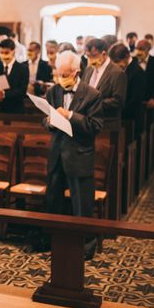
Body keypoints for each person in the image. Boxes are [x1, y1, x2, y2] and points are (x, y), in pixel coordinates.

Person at [42, 51, 103, 259]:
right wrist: (49, 122)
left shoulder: (92, 94)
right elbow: (45, 118)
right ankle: (54, 241)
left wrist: (70, 115)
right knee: (53, 200)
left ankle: (84, 246)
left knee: (81, 204)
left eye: (65, 74)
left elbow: (95, 126)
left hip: (79, 153)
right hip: (57, 152)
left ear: (76, 72)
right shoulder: (54, 91)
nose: (60, 78)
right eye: (58, 74)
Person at [82, 38, 127, 119]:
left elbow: (118, 101)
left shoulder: (117, 72)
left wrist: (94, 104)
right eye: (88, 56)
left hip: (107, 120)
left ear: (104, 54)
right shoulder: (89, 69)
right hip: (87, 119)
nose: (90, 59)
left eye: (94, 56)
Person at [109, 43, 146, 138]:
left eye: (117, 61)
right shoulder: (119, 70)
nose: (116, 65)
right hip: (120, 118)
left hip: (131, 118)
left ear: (127, 56)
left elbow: (135, 99)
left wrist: (119, 112)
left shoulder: (137, 72)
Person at [0, 38, 29, 114]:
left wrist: (4, 94)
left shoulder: (23, 68)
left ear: (13, 51)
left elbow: (22, 91)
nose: (4, 56)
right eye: (1, 53)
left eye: (7, 53)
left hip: (16, 109)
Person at [135, 39, 154, 114]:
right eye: (137, 48)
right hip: (136, 102)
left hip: (152, 101)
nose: (139, 51)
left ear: (148, 49)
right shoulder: (133, 61)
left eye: (142, 49)